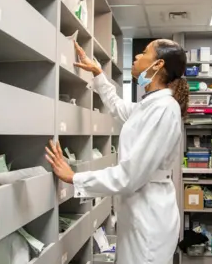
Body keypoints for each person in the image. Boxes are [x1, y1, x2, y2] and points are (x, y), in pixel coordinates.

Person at [45, 39, 190, 264]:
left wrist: (74, 177)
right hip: (138, 213)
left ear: (157, 64)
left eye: (144, 52)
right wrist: (98, 74)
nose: (136, 57)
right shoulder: (151, 105)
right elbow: (119, 108)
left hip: (148, 220)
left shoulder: (164, 109)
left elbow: (129, 176)